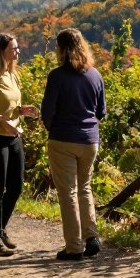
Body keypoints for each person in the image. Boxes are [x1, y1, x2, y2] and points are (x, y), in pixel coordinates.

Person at [40, 28, 107, 261]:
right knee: (85, 188)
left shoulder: (57, 76)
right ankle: (92, 237)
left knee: (67, 193)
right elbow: (101, 111)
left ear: (60, 49)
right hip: (90, 140)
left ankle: (74, 246)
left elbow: (47, 111)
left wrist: (54, 129)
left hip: (63, 138)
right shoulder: (95, 75)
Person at [0, 33, 39, 256]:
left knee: (16, 186)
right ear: (0, 52)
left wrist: (21, 110)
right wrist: (3, 121)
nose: (17, 52)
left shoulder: (12, 74)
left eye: (17, 47)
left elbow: (9, 105)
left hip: (13, 135)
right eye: (13, 48)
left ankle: (0, 230)